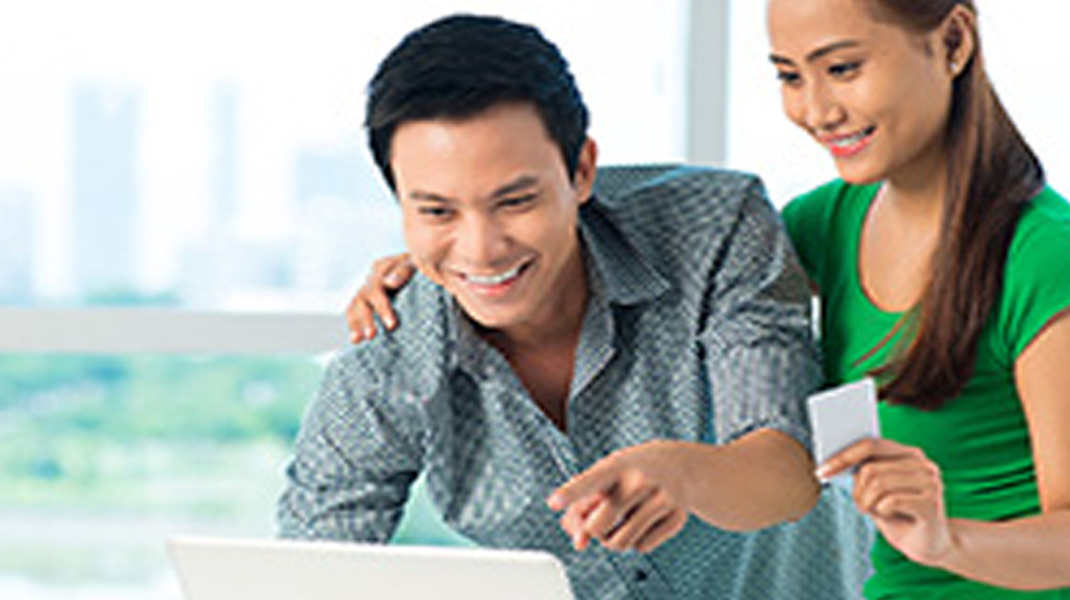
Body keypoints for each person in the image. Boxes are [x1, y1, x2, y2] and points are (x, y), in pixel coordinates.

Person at [348, 1, 1070, 598]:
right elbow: (689, 257)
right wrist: (457, 252)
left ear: (952, 40)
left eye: (843, 68)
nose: (816, 109)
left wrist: (949, 541)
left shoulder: (1046, 256)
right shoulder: (831, 221)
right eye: (790, 75)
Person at [279, 13, 870, 600]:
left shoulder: (715, 228)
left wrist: (682, 472)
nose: (482, 249)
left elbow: (789, 472)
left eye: (515, 201)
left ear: (581, 170)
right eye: (438, 212)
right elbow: (313, 561)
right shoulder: (395, 341)